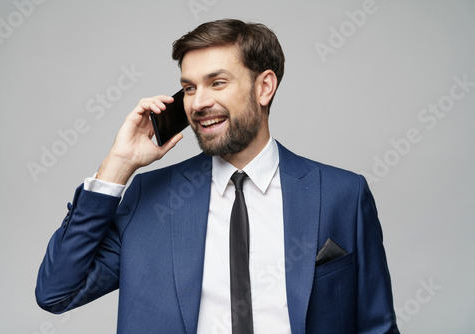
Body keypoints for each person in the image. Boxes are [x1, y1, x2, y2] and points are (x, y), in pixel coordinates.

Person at [36, 19, 399, 334]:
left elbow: (376, 326)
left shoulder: (342, 194)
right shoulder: (150, 199)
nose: (197, 103)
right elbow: (57, 292)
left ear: (264, 87)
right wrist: (117, 166)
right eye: (190, 87)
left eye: (217, 82)